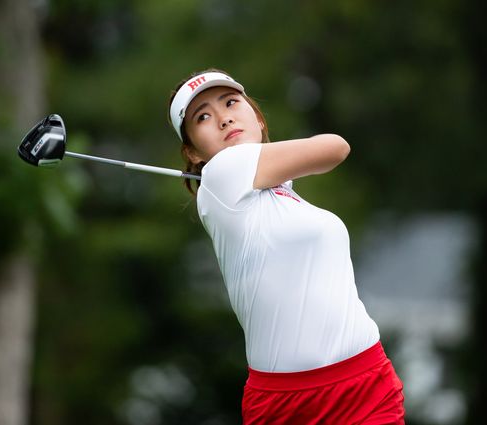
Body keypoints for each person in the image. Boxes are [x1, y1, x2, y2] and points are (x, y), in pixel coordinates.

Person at [168, 69, 405, 424]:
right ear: (193, 152)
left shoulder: (285, 197)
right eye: (203, 116)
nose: (223, 117)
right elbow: (336, 147)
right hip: (287, 403)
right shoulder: (221, 174)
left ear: (257, 117)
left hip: (365, 381)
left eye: (231, 102)